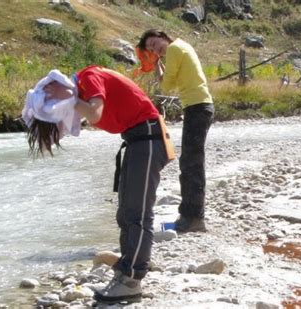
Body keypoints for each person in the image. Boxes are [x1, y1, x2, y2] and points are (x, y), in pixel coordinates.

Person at [22, 65, 171, 304]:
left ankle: (131, 280)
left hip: (149, 139)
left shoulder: (89, 78)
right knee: (126, 213)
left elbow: (95, 114)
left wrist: (69, 99)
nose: (56, 103)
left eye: (53, 95)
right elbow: (75, 119)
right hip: (138, 140)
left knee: (137, 215)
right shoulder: (82, 90)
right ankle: (125, 273)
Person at [137, 29, 214, 233]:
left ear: (164, 37)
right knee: (191, 162)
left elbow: (167, 85)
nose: (156, 49)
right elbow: (171, 82)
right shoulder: (182, 45)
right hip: (199, 106)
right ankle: (191, 216)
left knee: (191, 164)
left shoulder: (173, 49)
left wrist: (157, 66)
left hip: (197, 107)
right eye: (152, 48)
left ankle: (193, 218)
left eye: (155, 43)